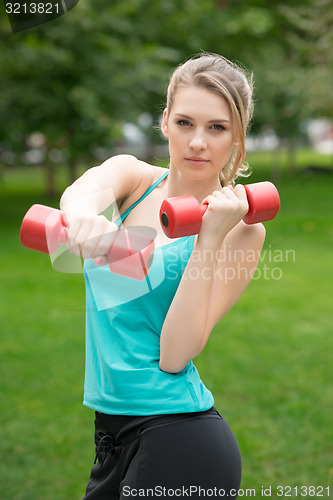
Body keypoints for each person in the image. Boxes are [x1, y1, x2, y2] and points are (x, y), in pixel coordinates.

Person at [60, 52, 266, 500]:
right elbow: (84, 189)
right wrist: (82, 216)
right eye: (186, 123)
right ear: (166, 122)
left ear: (237, 137)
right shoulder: (132, 180)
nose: (198, 142)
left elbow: (175, 354)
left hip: (180, 438)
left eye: (217, 128)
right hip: (111, 434)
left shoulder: (243, 230)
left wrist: (208, 240)